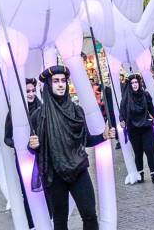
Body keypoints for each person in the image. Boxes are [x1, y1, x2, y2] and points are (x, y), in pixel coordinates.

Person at [28, 66, 115, 230]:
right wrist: (32, 146)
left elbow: (85, 140)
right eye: (55, 81)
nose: (61, 85)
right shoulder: (38, 116)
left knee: (89, 214)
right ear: (48, 85)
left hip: (79, 169)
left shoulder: (76, 111)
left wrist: (103, 137)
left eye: (63, 81)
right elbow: (35, 147)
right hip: (55, 175)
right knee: (60, 220)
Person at [119, 74, 154, 184]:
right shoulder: (126, 97)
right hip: (133, 128)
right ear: (129, 84)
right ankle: (140, 175)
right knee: (138, 153)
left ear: (139, 83)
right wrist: (122, 121)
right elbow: (122, 111)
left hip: (146, 126)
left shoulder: (145, 94)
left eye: (136, 82)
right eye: (132, 83)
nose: (134, 85)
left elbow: (151, 108)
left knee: (149, 150)